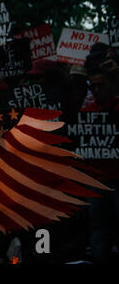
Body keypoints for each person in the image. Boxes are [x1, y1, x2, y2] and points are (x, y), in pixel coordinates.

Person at [81, 65, 119, 263]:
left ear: (112, 85)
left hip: (117, 179)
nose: (96, 90)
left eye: (101, 85)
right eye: (93, 86)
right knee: (98, 226)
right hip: (95, 181)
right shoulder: (85, 112)